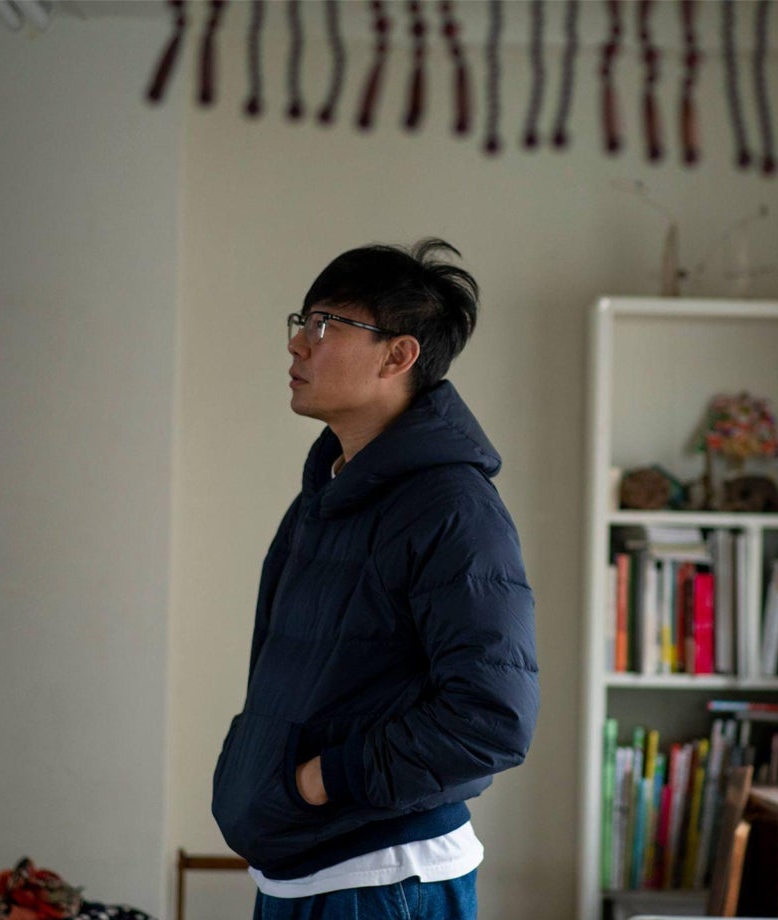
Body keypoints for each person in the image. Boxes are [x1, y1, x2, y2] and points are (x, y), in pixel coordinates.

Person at [212, 239, 539, 920]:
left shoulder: (452, 508)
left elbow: (491, 719)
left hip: (382, 882)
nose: (298, 344)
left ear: (398, 356)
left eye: (325, 325)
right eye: (302, 321)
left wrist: (317, 780)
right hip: (300, 872)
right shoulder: (325, 497)